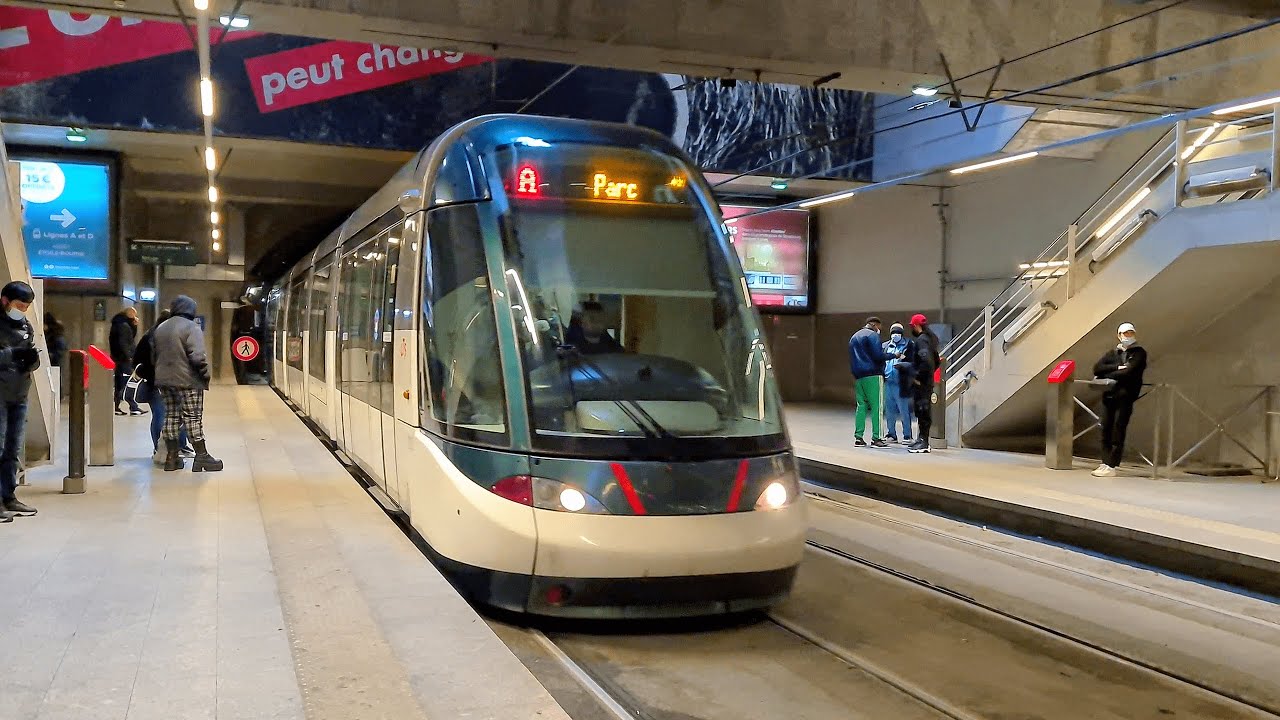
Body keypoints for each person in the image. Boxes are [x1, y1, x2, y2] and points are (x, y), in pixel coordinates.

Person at [153, 295, 222, 472]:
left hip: (164, 380)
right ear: (190, 309)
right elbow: (197, 356)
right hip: (188, 380)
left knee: (171, 415)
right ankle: (202, 457)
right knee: (192, 416)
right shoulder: (192, 327)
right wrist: (205, 375)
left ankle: (172, 457)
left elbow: (154, 355)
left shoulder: (161, 327)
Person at [0, 281, 41, 522]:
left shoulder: (25, 326)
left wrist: (31, 360)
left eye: (26, 307)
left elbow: (29, 355)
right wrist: (12, 355)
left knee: (13, 449)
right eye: (19, 305)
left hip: (19, 393)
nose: (22, 310)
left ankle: (9, 495)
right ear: (5, 300)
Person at [133, 309, 193, 466]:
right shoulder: (175, 337)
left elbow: (137, 361)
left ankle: (159, 449)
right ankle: (177, 448)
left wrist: (148, 373)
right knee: (177, 415)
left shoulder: (148, 336)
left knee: (159, 415)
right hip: (175, 382)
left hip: (154, 382)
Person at [1091, 322, 1148, 477]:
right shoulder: (1113, 353)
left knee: (1118, 428)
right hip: (1109, 395)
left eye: (1130, 333)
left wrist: (1108, 373)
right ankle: (1104, 462)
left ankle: (1112, 464)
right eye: (1125, 334)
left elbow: (1130, 372)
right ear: (1119, 335)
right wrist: (1117, 368)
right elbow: (1097, 368)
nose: (1127, 337)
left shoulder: (1139, 353)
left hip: (1125, 396)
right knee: (1105, 428)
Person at [848, 316, 899, 448]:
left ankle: (858, 438)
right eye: (879, 327)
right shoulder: (872, 335)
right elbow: (878, 356)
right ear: (875, 324)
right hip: (873, 375)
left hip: (858, 376)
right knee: (878, 407)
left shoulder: (854, 337)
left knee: (861, 406)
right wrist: (894, 355)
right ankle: (877, 438)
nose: (879, 330)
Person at [907, 313, 941, 454]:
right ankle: (922, 439)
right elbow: (937, 361)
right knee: (923, 410)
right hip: (927, 382)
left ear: (916, 326)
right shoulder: (930, 340)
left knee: (922, 411)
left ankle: (924, 441)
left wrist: (917, 377)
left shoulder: (921, 341)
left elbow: (926, 362)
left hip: (922, 383)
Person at [882, 323, 916, 444]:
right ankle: (891, 434)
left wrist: (902, 365)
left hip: (901, 383)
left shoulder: (909, 345)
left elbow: (913, 362)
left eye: (898, 333)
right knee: (889, 410)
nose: (895, 335)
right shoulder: (886, 346)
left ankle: (907, 435)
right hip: (888, 383)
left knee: (904, 410)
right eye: (893, 333)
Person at [109, 305, 145, 416]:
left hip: (118, 358)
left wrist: (134, 326)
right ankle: (133, 406)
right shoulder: (123, 326)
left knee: (120, 383)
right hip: (124, 359)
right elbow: (124, 342)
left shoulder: (119, 324)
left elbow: (129, 337)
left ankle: (118, 406)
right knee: (129, 382)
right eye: (134, 315)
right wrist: (129, 356)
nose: (136, 317)